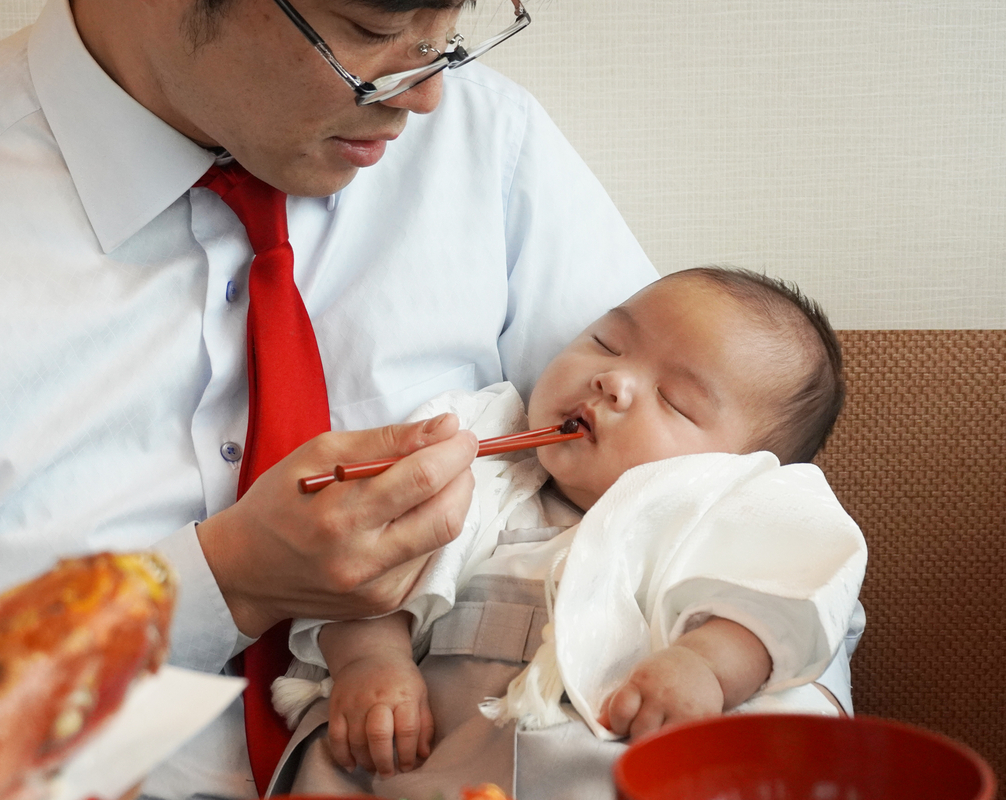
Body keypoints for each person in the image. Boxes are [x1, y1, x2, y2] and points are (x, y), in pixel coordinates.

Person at [0, 0, 669, 798]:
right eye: (375, 27)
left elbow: (728, 493)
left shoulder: (490, 148)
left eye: (454, 20)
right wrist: (225, 584)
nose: (431, 91)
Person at [269, 267, 866, 798]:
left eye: (675, 400)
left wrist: (706, 665)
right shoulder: (479, 450)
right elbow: (367, 566)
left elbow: (784, 599)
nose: (611, 379)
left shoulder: (734, 508)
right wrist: (371, 661)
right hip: (428, 755)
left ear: (741, 468)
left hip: (615, 760)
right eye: (605, 342)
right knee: (338, 754)